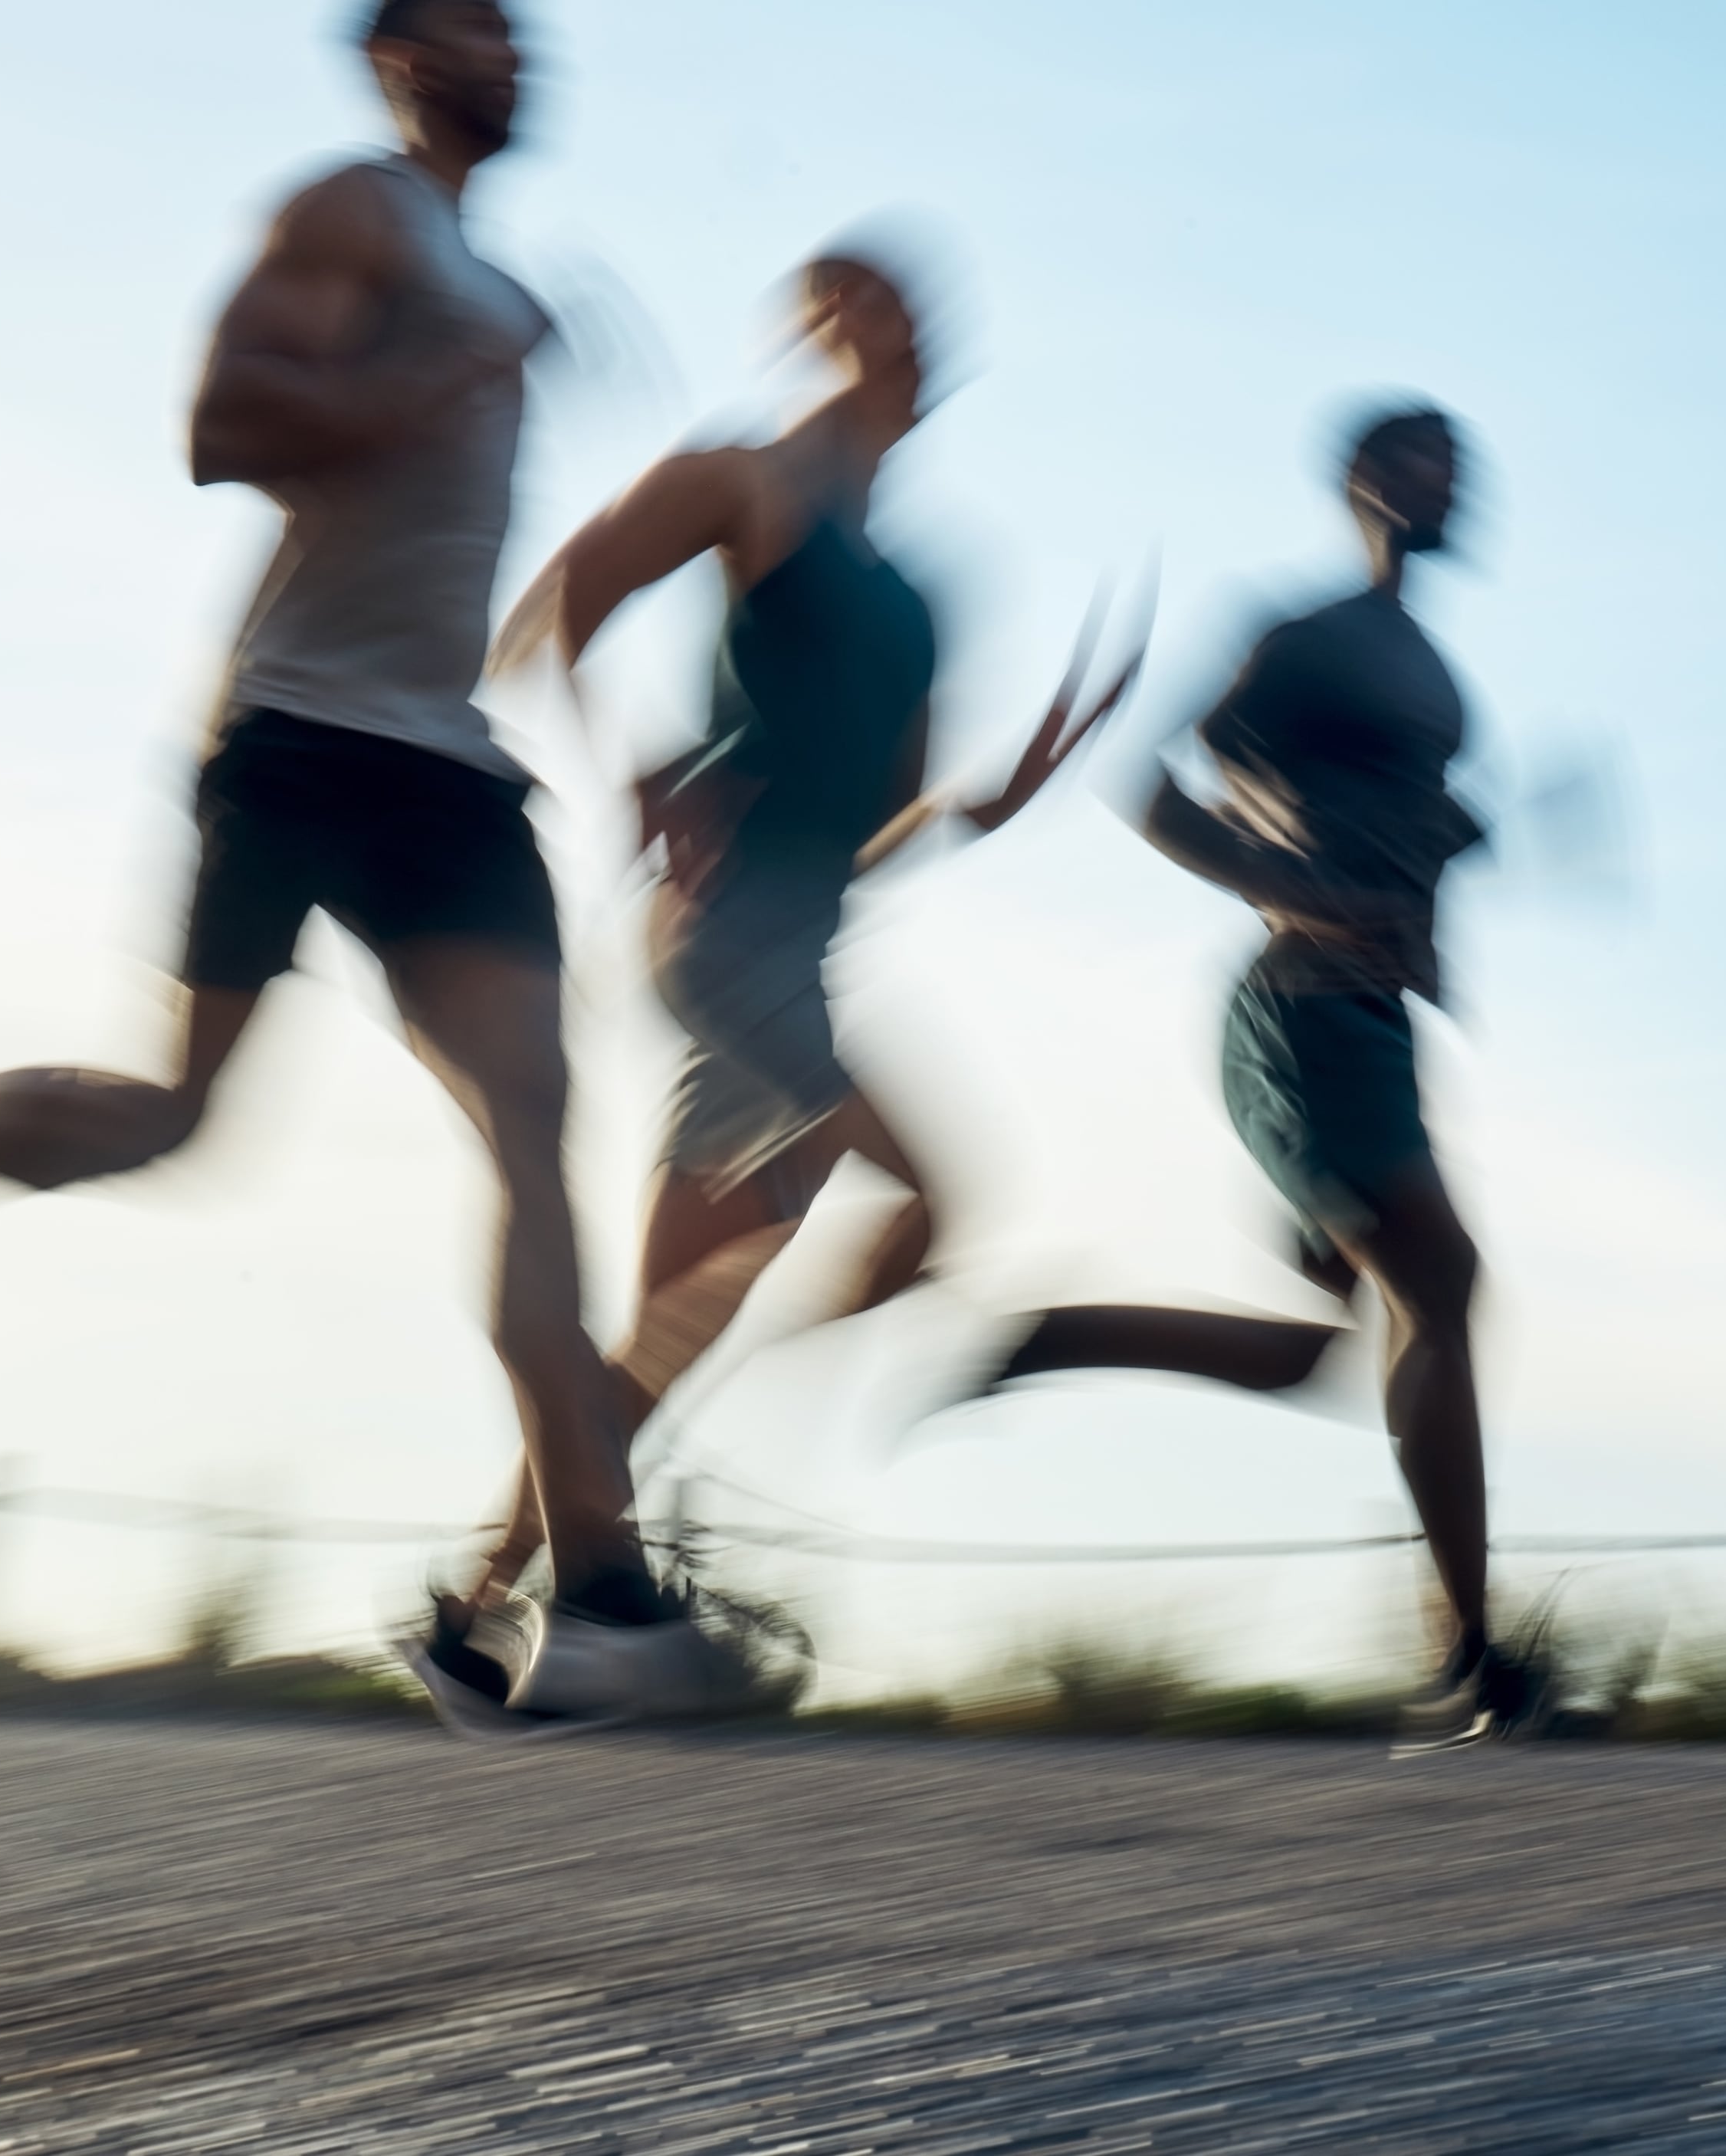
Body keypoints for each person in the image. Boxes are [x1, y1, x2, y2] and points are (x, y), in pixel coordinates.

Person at [0, 0, 738, 1724]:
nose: (514, 53)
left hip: (442, 762)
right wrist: (458, 372)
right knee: (175, 1121)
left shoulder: (471, 259)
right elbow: (223, 431)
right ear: (396, 55)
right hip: (291, 737)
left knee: (534, 1139)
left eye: (520, 31)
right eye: (473, 30)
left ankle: (605, 1597)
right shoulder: (347, 211)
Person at [400, 247, 1140, 1730]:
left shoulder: (922, 598)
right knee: (938, 1196)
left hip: (801, 949)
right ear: (805, 328)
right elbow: (553, 608)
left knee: (671, 1320)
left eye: (925, 318)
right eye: (863, 300)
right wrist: (640, 763)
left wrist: (992, 803)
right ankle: (756, 1447)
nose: (902, 330)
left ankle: (477, 1614)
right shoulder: (749, 482)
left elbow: (886, 819)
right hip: (719, 942)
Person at [982, 402, 1524, 1751]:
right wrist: (1302, 888)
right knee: (1447, 1290)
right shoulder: (1308, 637)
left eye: (1459, 465)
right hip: (1300, 1011)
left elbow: (1385, 837)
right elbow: (1153, 785)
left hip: (1373, 1026)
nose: (1443, 482)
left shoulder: (1432, 672)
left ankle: (1058, 1331)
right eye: (1414, 458)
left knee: (1324, 1355)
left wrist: (1433, 872)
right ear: (1357, 481)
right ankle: (1472, 1656)